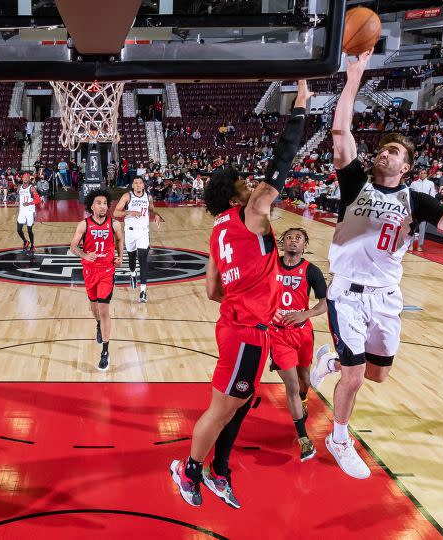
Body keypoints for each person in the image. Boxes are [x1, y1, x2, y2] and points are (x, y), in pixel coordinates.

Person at [309, 52, 443, 480]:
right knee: (354, 380)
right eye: (382, 149)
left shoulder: (417, 201)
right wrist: (354, 78)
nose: (382, 154)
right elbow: (340, 129)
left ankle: (328, 362)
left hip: (387, 298)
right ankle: (339, 437)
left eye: (391, 151)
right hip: (347, 293)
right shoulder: (355, 183)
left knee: (376, 376)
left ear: (405, 166)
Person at [169, 80, 311, 509]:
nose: (253, 186)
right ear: (235, 194)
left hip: (240, 324)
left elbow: (213, 289)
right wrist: (301, 107)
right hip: (246, 330)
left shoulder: (216, 231)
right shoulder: (250, 212)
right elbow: (281, 163)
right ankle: (188, 470)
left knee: (238, 404)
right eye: (244, 183)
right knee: (220, 408)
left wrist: (245, 288)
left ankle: (219, 471)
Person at [269, 227, 327, 461]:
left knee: (304, 381)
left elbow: (324, 304)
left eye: (299, 238)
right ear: (283, 243)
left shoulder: (311, 271)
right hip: (278, 334)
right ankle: (304, 439)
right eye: (290, 237)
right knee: (292, 385)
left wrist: (306, 314)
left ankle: (302, 399)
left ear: (305, 245)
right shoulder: (270, 265)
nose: (294, 241)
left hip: (303, 333)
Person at [68, 188, 123, 371]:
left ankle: (105, 351)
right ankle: (98, 324)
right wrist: (84, 254)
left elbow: (120, 240)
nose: (102, 206)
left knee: (103, 308)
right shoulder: (84, 225)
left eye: (105, 203)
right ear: (91, 206)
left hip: (107, 271)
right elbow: (73, 246)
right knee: (93, 305)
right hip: (89, 271)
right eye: (99, 203)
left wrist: (120, 256)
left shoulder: (114, 224)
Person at [113, 176, 164, 303]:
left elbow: (151, 209)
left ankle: (143, 291)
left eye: (140, 183)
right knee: (131, 258)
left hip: (143, 232)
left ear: (143, 185)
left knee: (142, 260)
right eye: (135, 183)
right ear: (132, 185)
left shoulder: (148, 197)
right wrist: (129, 212)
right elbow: (115, 213)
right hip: (130, 232)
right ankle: (132, 274)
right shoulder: (127, 196)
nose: (138, 185)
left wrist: (156, 215)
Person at [409, 171, 437, 252]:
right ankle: (410, 244)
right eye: (420, 173)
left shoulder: (430, 183)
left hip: (424, 208)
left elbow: (432, 196)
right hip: (415, 208)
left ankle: (419, 245)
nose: (422, 174)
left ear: (426, 174)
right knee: (412, 227)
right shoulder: (414, 183)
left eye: (424, 173)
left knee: (422, 228)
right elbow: (411, 195)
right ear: (418, 174)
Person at [16, 172, 39, 256]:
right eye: (24, 177)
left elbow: (38, 200)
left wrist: (29, 203)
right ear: (22, 178)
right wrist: (17, 201)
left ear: (29, 179)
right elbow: (18, 196)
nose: (25, 178)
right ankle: (25, 241)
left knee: (29, 230)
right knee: (18, 230)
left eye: (27, 177)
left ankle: (32, 245)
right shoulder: (19, 188)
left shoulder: (32, 188)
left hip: (30, 211)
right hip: (22, 211)